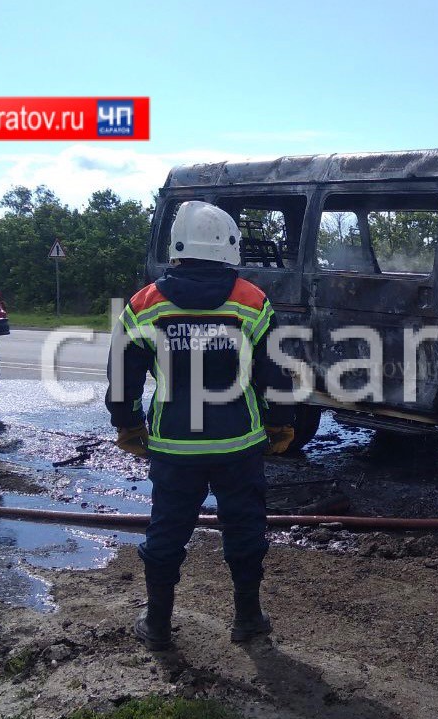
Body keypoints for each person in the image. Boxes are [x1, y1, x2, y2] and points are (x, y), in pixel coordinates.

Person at [106, 201, 296, 649]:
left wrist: (128, 424)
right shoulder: (251, 300)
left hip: (174, 444)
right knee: (245, 525)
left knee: (168, 527)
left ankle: (156, 626)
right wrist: (282, 423)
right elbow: (274, 372)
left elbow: (122, 374)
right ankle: (248, 619)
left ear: (177, 246)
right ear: (229, 246)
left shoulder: (146, 302)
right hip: (239, 441)